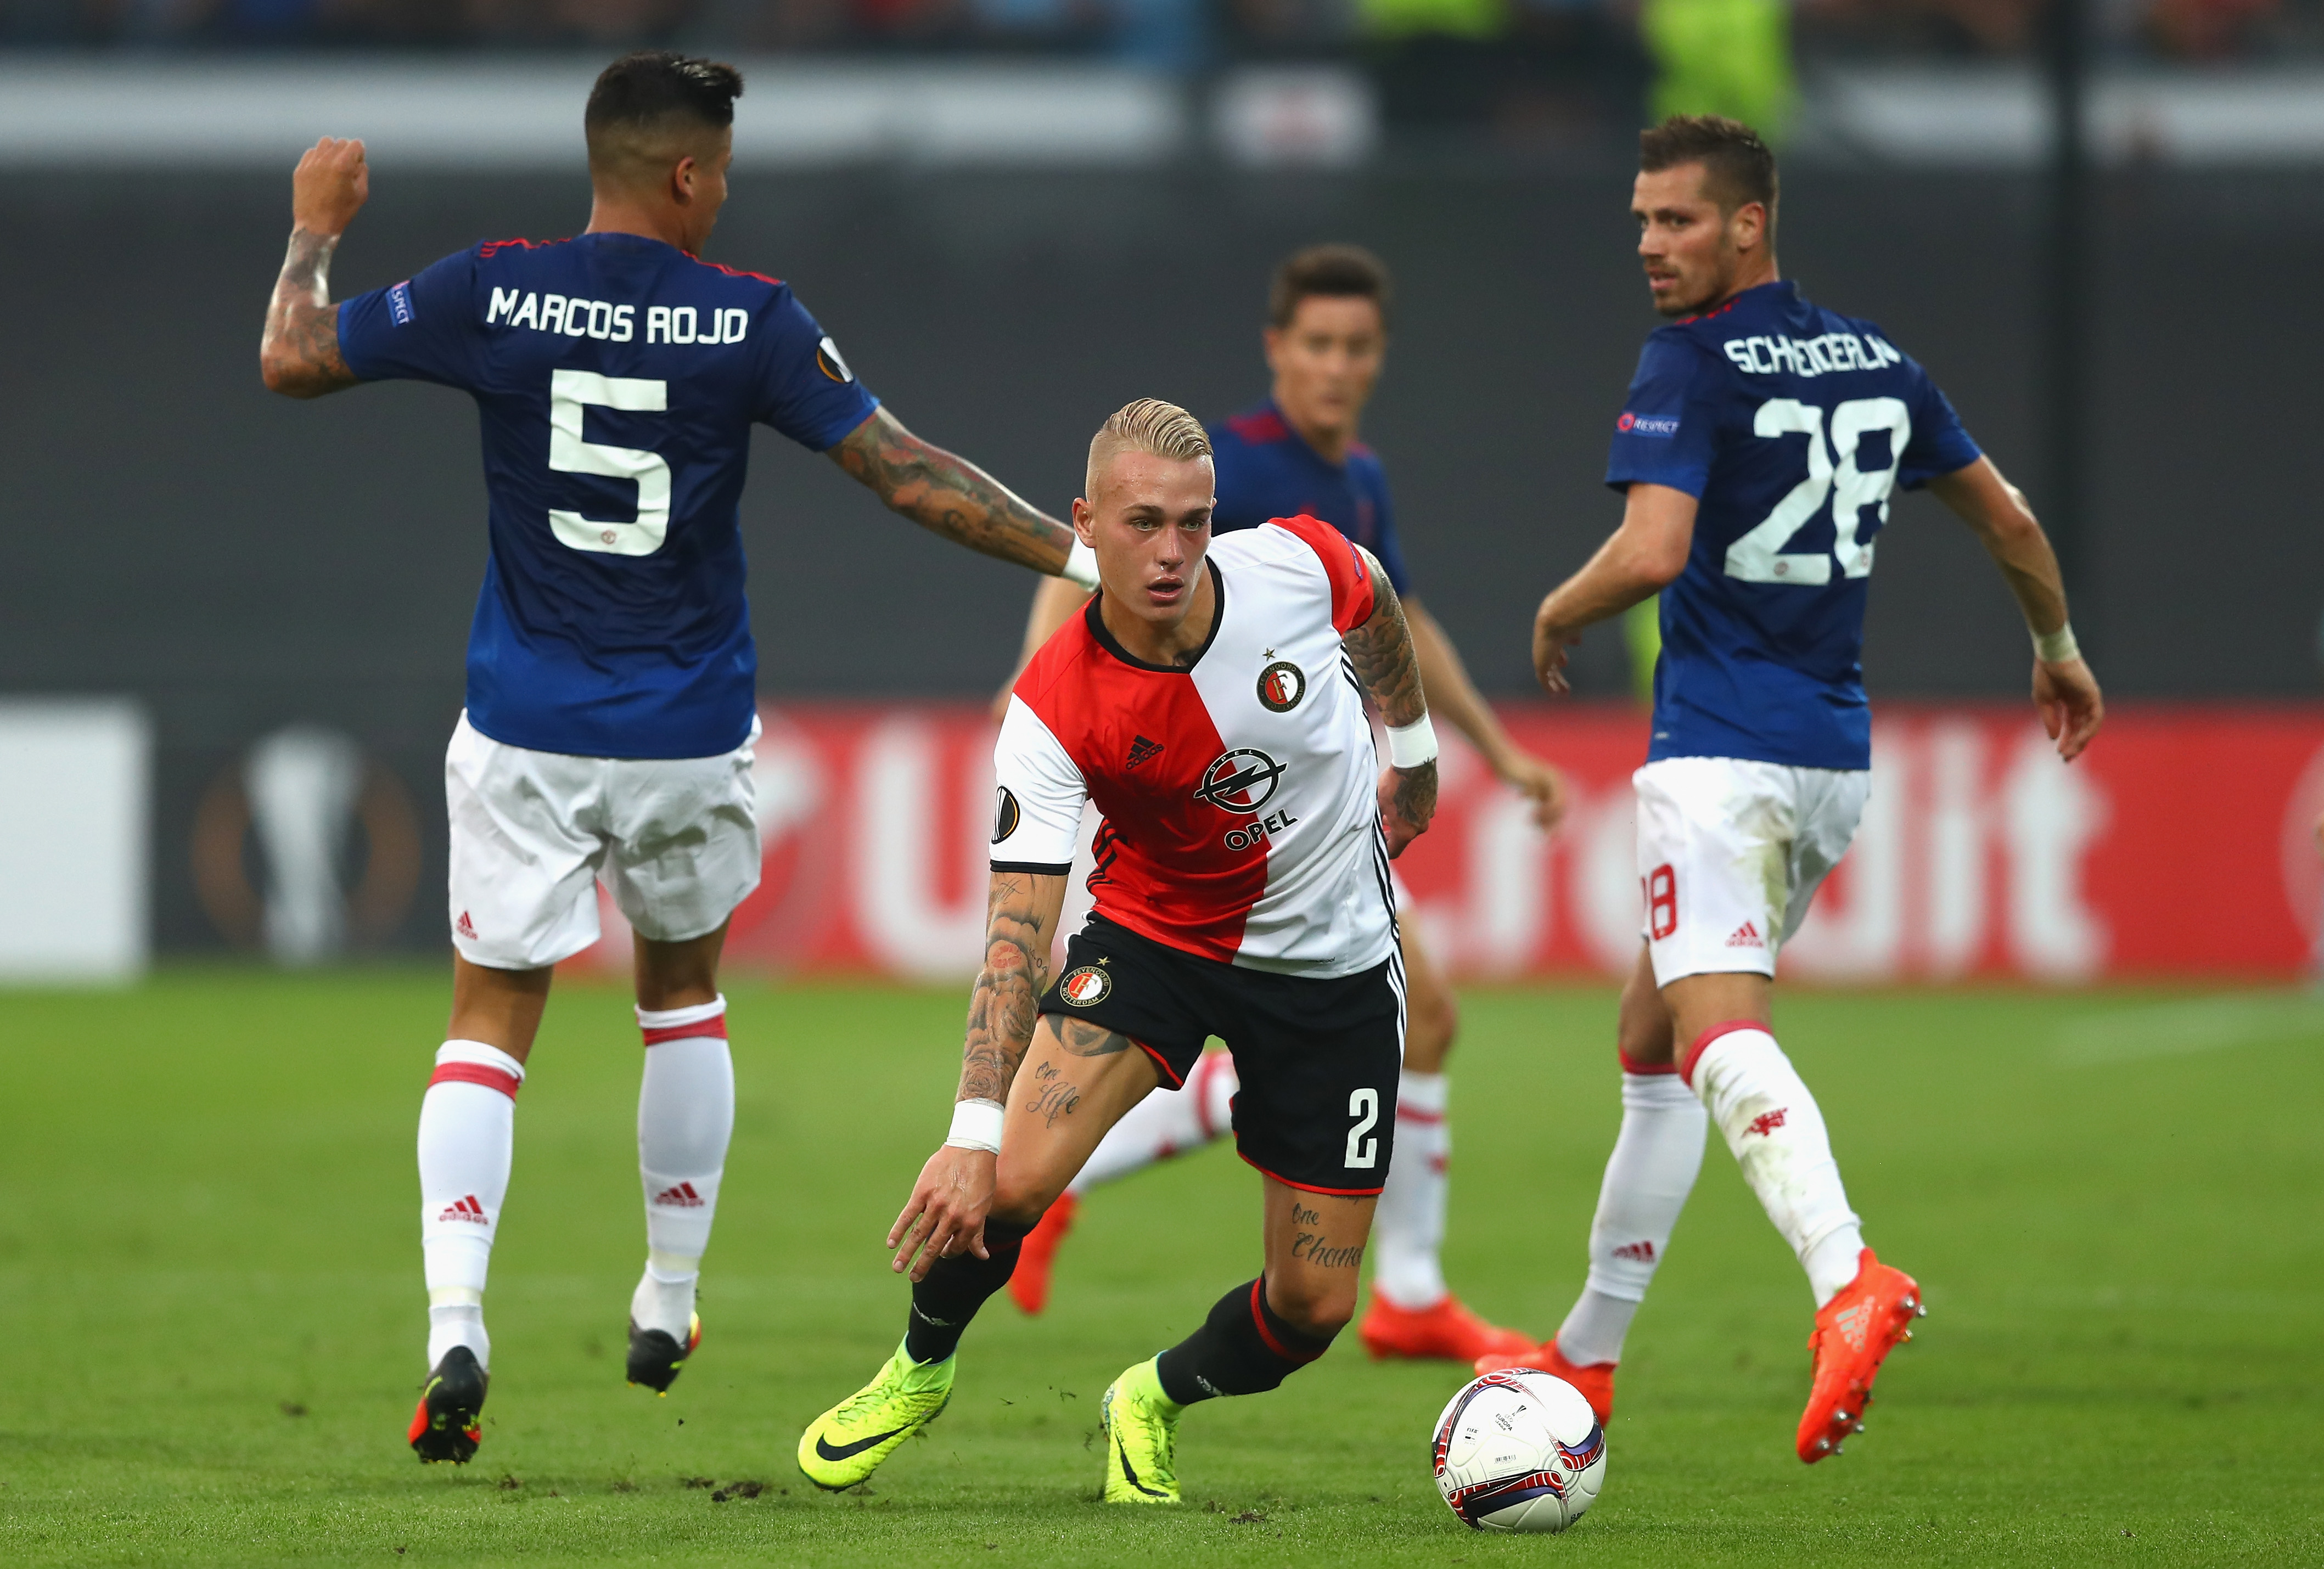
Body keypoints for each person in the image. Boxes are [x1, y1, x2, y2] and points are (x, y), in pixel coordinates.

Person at [257, 51, 1101, 1465]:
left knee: (488, 1019)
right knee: (681, 993)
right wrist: (1078, 551)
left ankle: (456, 1320)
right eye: (723, 175)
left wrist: (317, 225)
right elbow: (904, 471)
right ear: (689, 173)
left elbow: (294, 355)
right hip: (687, 732)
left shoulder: (490, 287)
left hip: (524, 725)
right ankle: (668, 1294)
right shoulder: (750, 319)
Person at [1480, 115, 2105, 1465]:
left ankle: (1845, 1275)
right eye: (1640, 220)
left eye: (1677, 221)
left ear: (1748, 222)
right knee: (1650, 1041)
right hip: (1829, 757)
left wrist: (1556, 606)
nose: (1649, 246)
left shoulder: (1688, 362)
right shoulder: (1881, 359)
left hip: (1715, 753)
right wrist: (2053, 648)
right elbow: (2004, 518)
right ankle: (1585, 1352)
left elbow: (1651, 550)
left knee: (1712, 1033)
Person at [796, 399, 1439, 1503]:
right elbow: (1015, 931)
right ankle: (918, 1366)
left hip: (1331, 967)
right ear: (1085, 525)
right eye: (1143, 524)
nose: (1172, 552)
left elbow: (1374, 600)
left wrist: (1414, 746)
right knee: (1003, 1177)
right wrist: (965, 1130)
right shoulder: (1052, 707)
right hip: (1161, 932)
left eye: (1192, 523)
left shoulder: (1291, 565)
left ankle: (1152, 1391)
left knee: (1312, 1308)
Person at [995, 245, 1562, 1365]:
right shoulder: (1233, 473)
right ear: (1275, 350)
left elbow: (1394, 616)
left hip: (1321, 806)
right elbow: (1079, 570)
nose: (1336, 367)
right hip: (1229, 824)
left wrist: (1486, 748)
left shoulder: (1358, 479)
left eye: (1355, 347)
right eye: (1315, 344)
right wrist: (1051, 728)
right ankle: (1387, 1282)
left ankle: (1403, 1287)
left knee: (1414, 1020)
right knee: (1382, 1015)